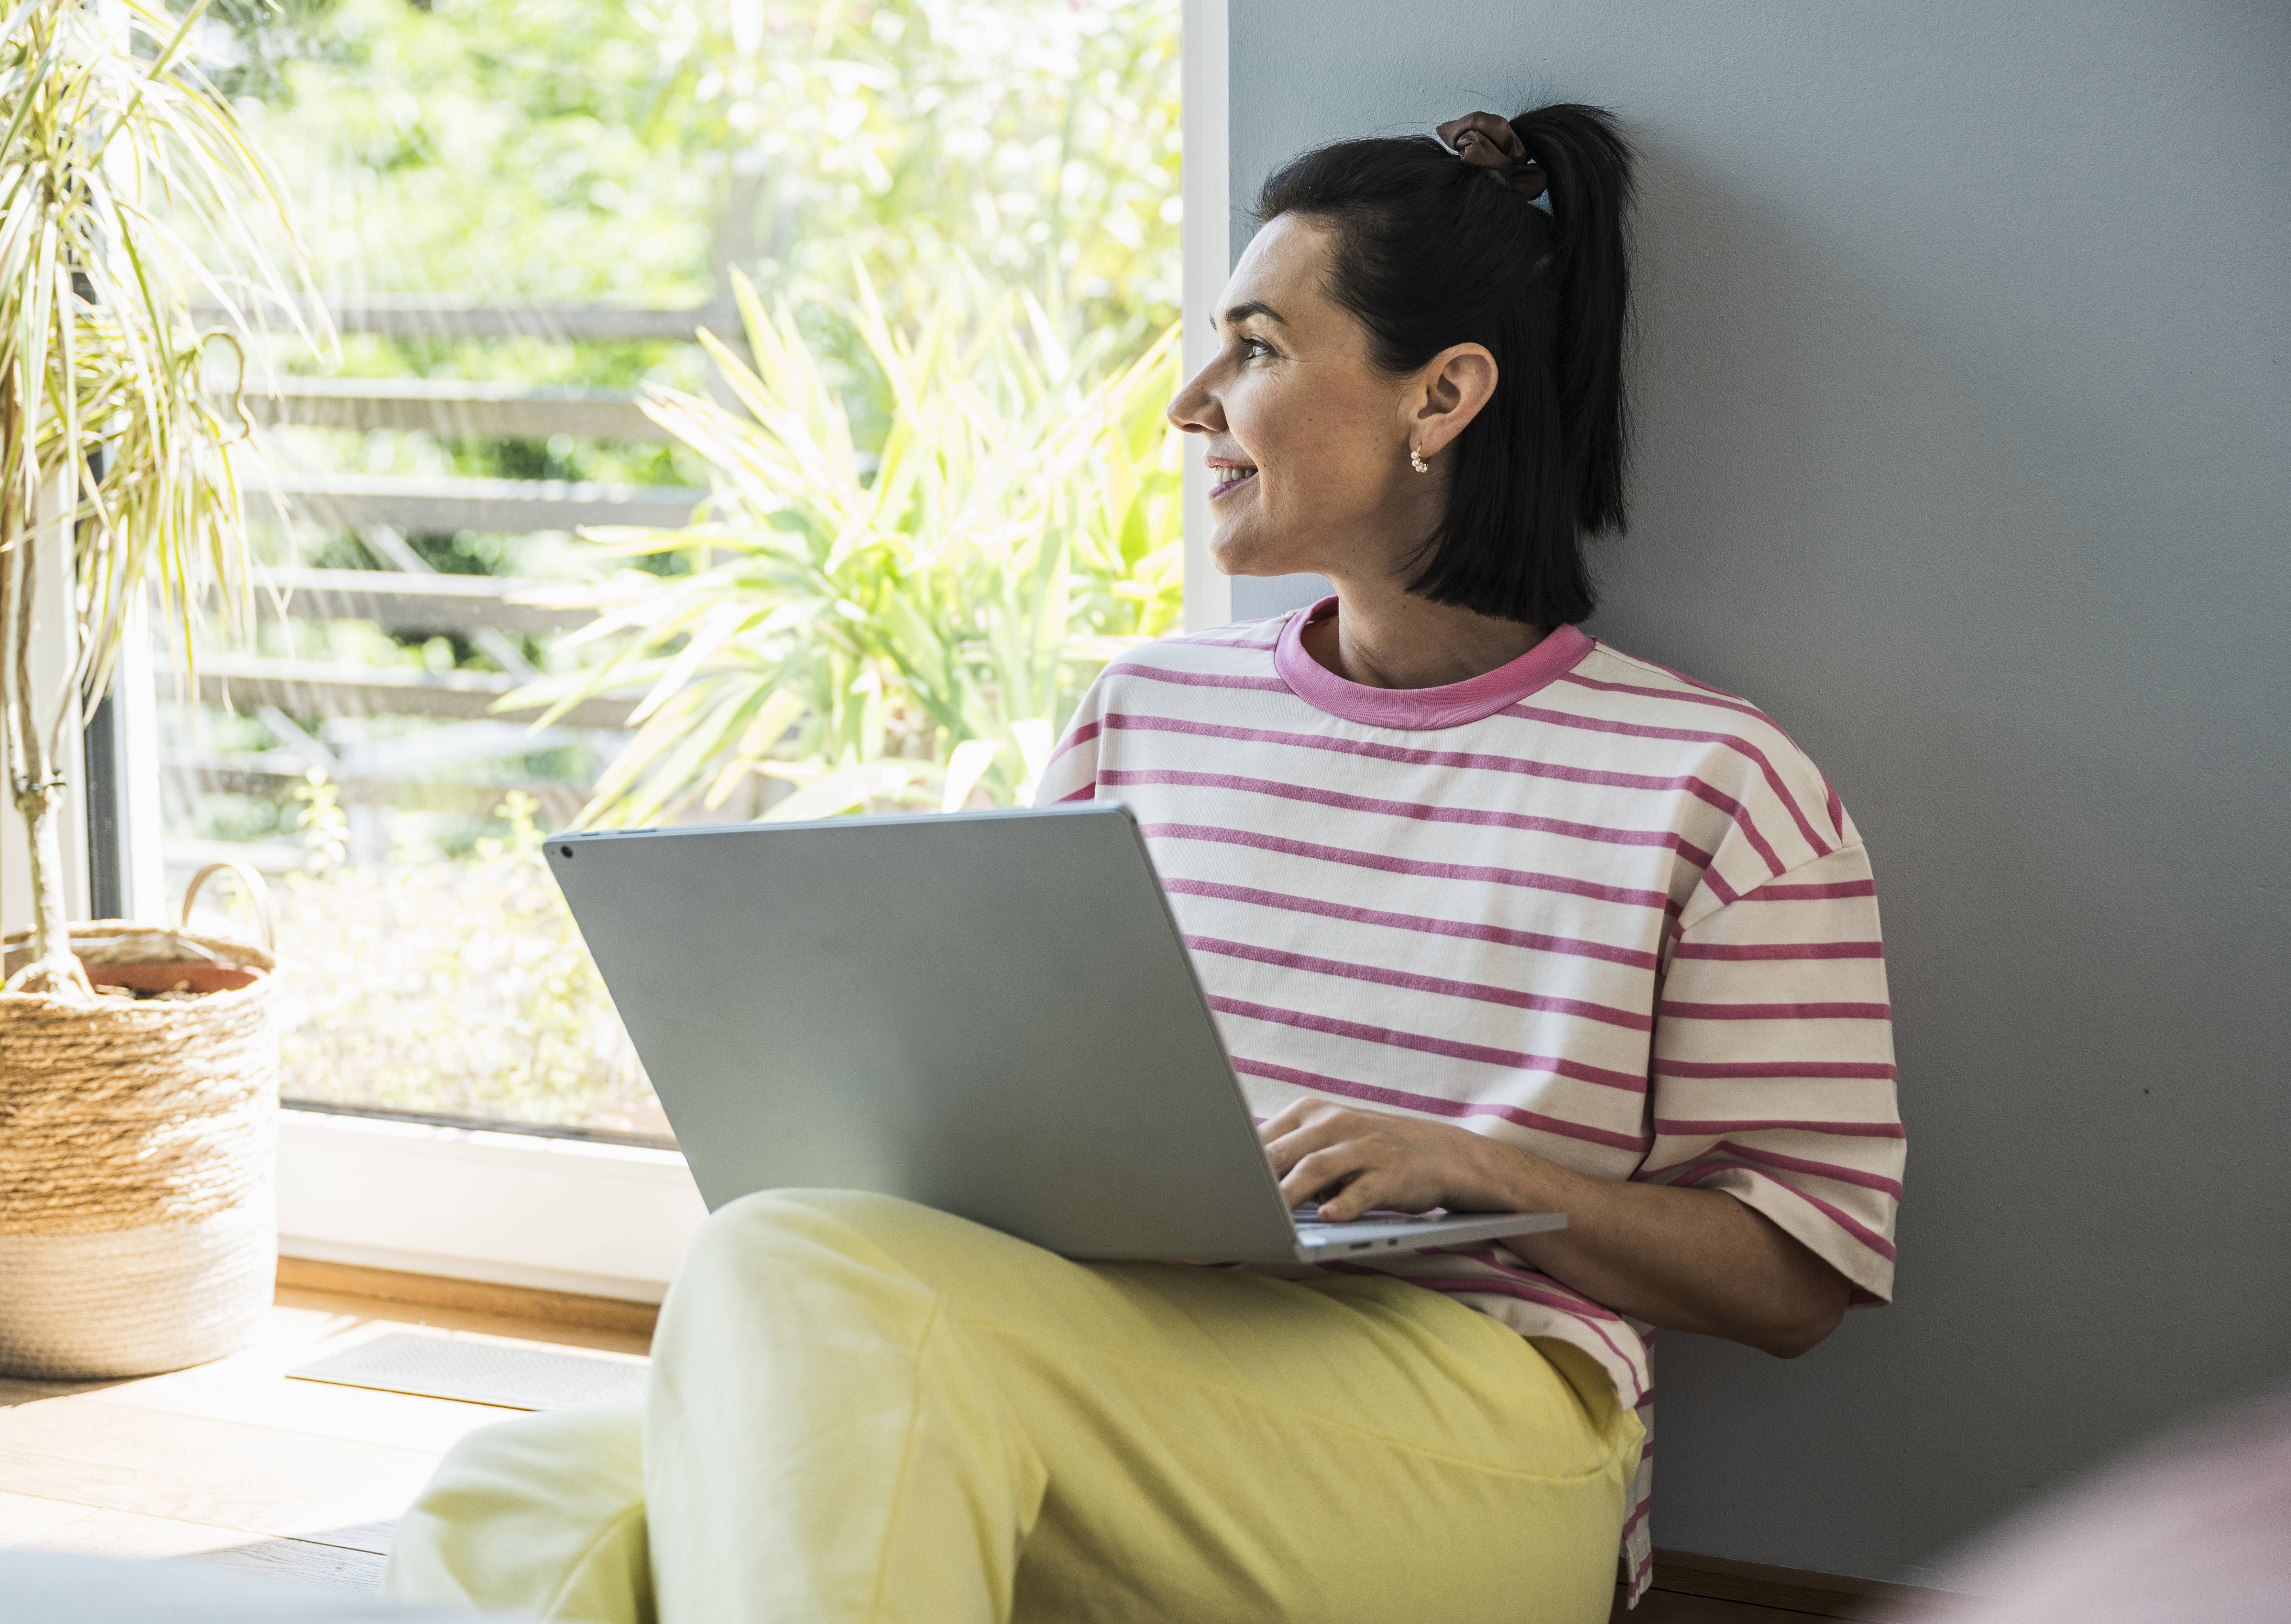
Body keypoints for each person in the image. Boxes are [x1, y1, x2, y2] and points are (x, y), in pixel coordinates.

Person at [380, 105, 1904, 1624]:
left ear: (1440, 397)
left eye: (1256, 347)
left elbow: (1797, 1280)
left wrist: (1492, 1172)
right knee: (512, 1493)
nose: (1193, 402)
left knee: (794, 1272)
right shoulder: (1148, 711)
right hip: (1125, 1355)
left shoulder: (1713, 784)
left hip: (1483, 1424)